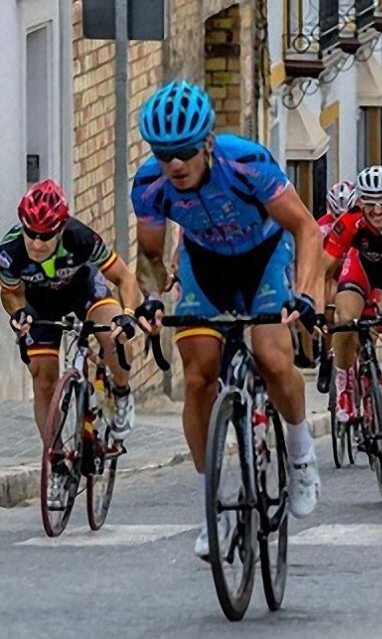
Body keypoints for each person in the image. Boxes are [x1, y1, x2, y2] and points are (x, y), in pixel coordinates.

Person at [130, 80, 324, 559]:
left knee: (274, 358)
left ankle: (300, 453)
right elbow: (150, 256)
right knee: (198, 378)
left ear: (208, 144)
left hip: (264, 256)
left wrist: (306, 296)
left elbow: (306, 228)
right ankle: (210, 504)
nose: (174, 163)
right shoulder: (150, 185)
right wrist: (152, 297)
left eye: (185, 151)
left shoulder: (246, 163)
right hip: (204, 263)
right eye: (163, 152)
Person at [1, 180, 141, 456]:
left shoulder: (81, 237)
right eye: (31, 233)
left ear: (61, 228)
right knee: (42, 379)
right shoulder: (10, 250)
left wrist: (127, 315)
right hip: (39, 305)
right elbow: (9, 293)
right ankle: (55, 460)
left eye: (46, 235)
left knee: (117, 339)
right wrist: (18, 312)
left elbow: (124, 277)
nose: (37, 243)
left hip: (84, 291)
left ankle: (122, 393)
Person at [322, 165, 382, 475]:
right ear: (360, 203)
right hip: (359, 275)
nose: (377, 211)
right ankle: (345, 387)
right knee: (345, 318)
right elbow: (325, 270)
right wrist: (323, 307)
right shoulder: (349, 222)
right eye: (370, 203)